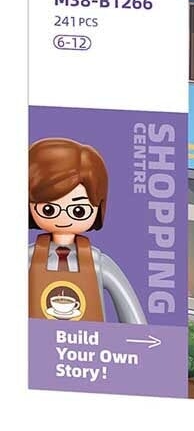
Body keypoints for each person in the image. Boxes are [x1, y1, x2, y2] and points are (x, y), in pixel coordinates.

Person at [28, 137, 146, 324]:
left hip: (90, 341)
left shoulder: (98, 263)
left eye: (78, 210)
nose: (64, 218)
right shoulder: (27, 259)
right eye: (49, 209)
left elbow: (133, 318)